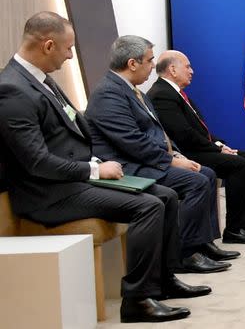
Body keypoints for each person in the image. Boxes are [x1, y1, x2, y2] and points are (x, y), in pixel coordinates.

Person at [0, 12, 208, 323]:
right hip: (48, 194)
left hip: (73, 181)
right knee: (149, 207)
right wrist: (95, 170)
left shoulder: (39, 80)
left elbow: (70, 137)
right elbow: (37, 161)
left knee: (165, 196)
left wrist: (95, 163)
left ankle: (163, 281)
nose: (71, 55)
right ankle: (137, 299)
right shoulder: (13, 89)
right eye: (68, 48)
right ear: (47, 45)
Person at [85, 35, 236, 273]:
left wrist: (177, 154)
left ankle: (202, 243)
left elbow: (159, 133)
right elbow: (131, 142)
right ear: (132, 63)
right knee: (196, 181)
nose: (153, 66)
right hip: (129, 167)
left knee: (206, 173)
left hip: (147, 159)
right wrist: (171, 162)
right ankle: (186, 252)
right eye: (149, 60)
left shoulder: (136, 92)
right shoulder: (108, 94)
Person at [148, 50, 245, 243]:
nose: (192, 71)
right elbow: (183, 134)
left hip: (198, 148)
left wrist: (220, 145)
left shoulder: (176, 93)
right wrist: (217, 150)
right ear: (173, 69)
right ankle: (235, 229)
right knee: (238, 164)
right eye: (188, 66)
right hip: (186, 153)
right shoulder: (161, 95)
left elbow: (200, 130)